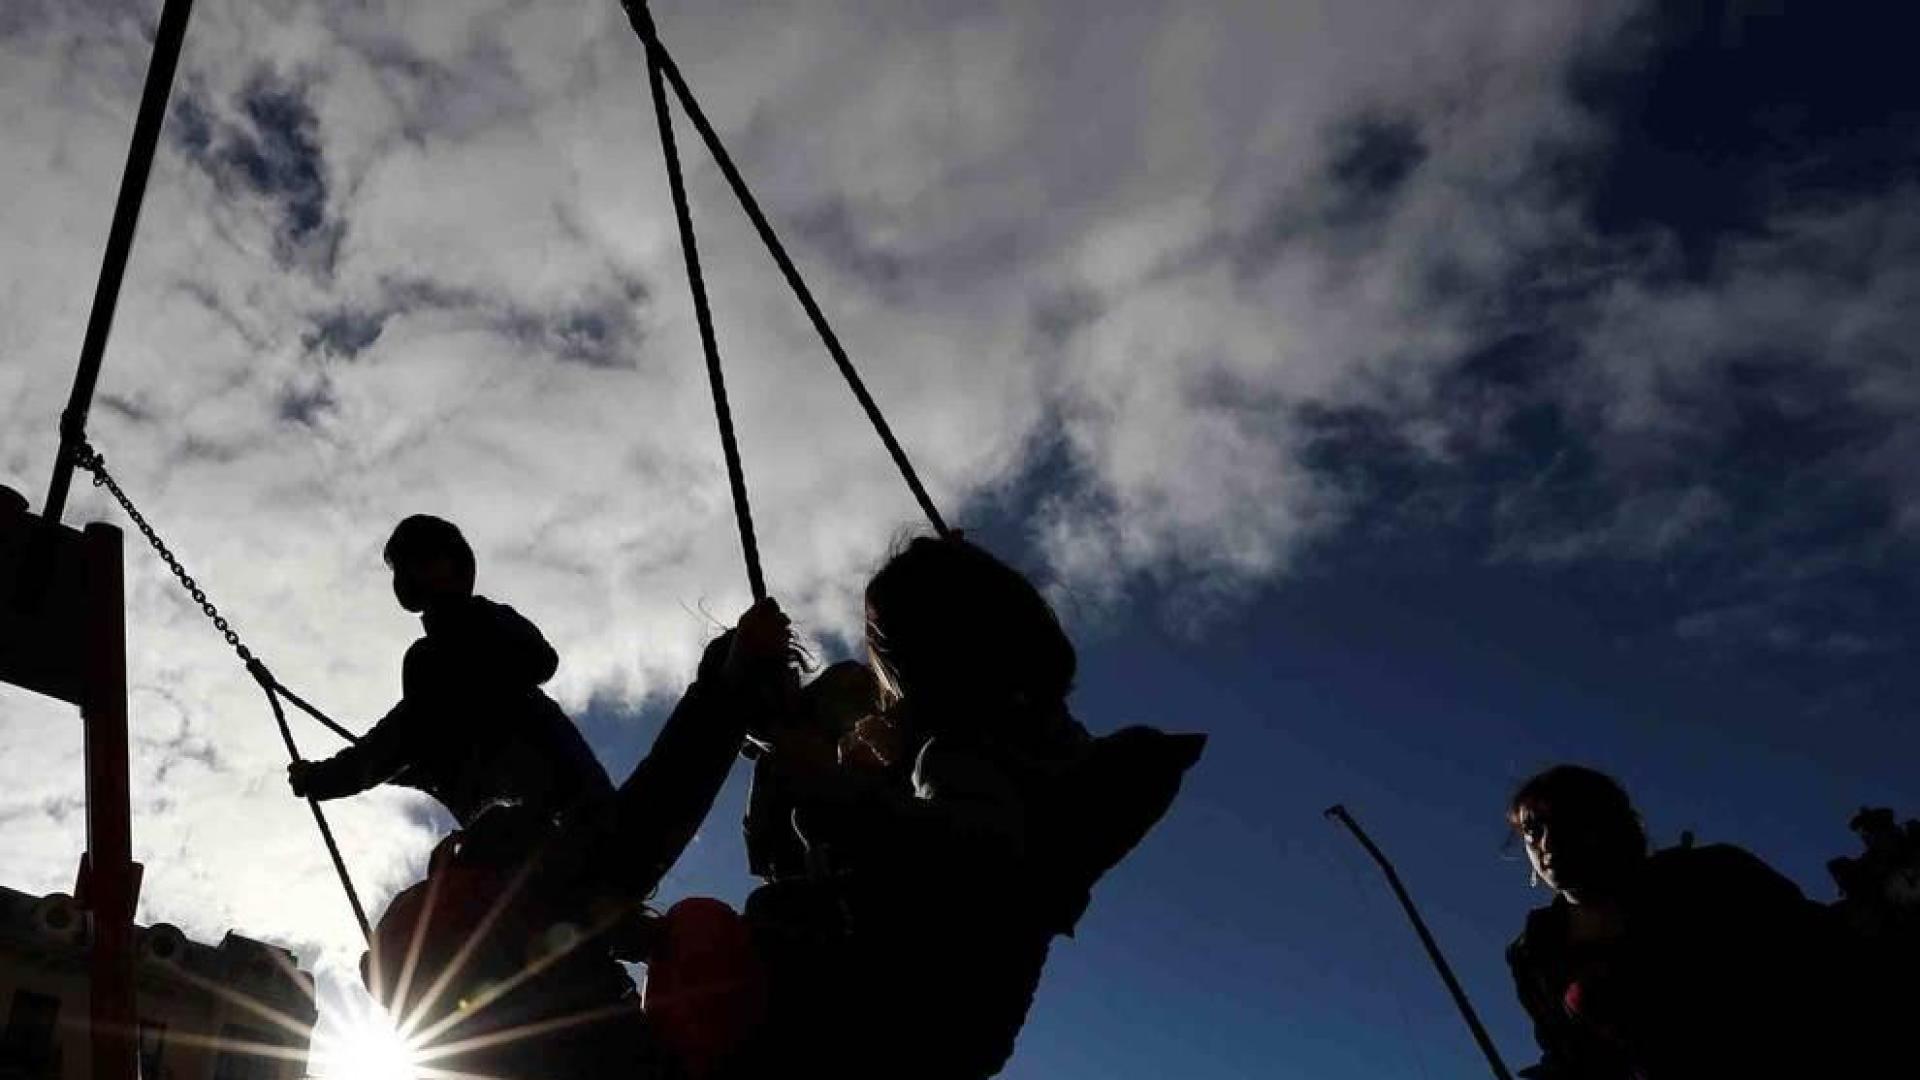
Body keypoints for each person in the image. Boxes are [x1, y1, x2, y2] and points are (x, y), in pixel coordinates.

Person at [725, 535, 1205, 1080]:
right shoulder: (1046, 742)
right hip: (955, 1031)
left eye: (882, 651)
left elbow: (973, 852)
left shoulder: (956, 750)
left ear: (922, 661)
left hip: (885, 1025)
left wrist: (833, 792)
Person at [1504, 764, 1855, 1079]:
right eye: (1534, 829)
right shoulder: (1535, 951)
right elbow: (1571, 1054)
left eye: (1567, 820)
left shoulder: (1713, 878)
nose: (1548, 842)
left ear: (1608, 823)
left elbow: (1823, 958)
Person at [286, 515, 611, 826]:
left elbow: (403, 736)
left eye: (419, 560)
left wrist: (325, 779)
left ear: (450, 563)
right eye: (403, 567)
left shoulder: (464, 635)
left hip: (558, 808)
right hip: (532, 816)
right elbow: (412, 739)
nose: (408, 574)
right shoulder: (432, 657)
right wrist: (327, 778)